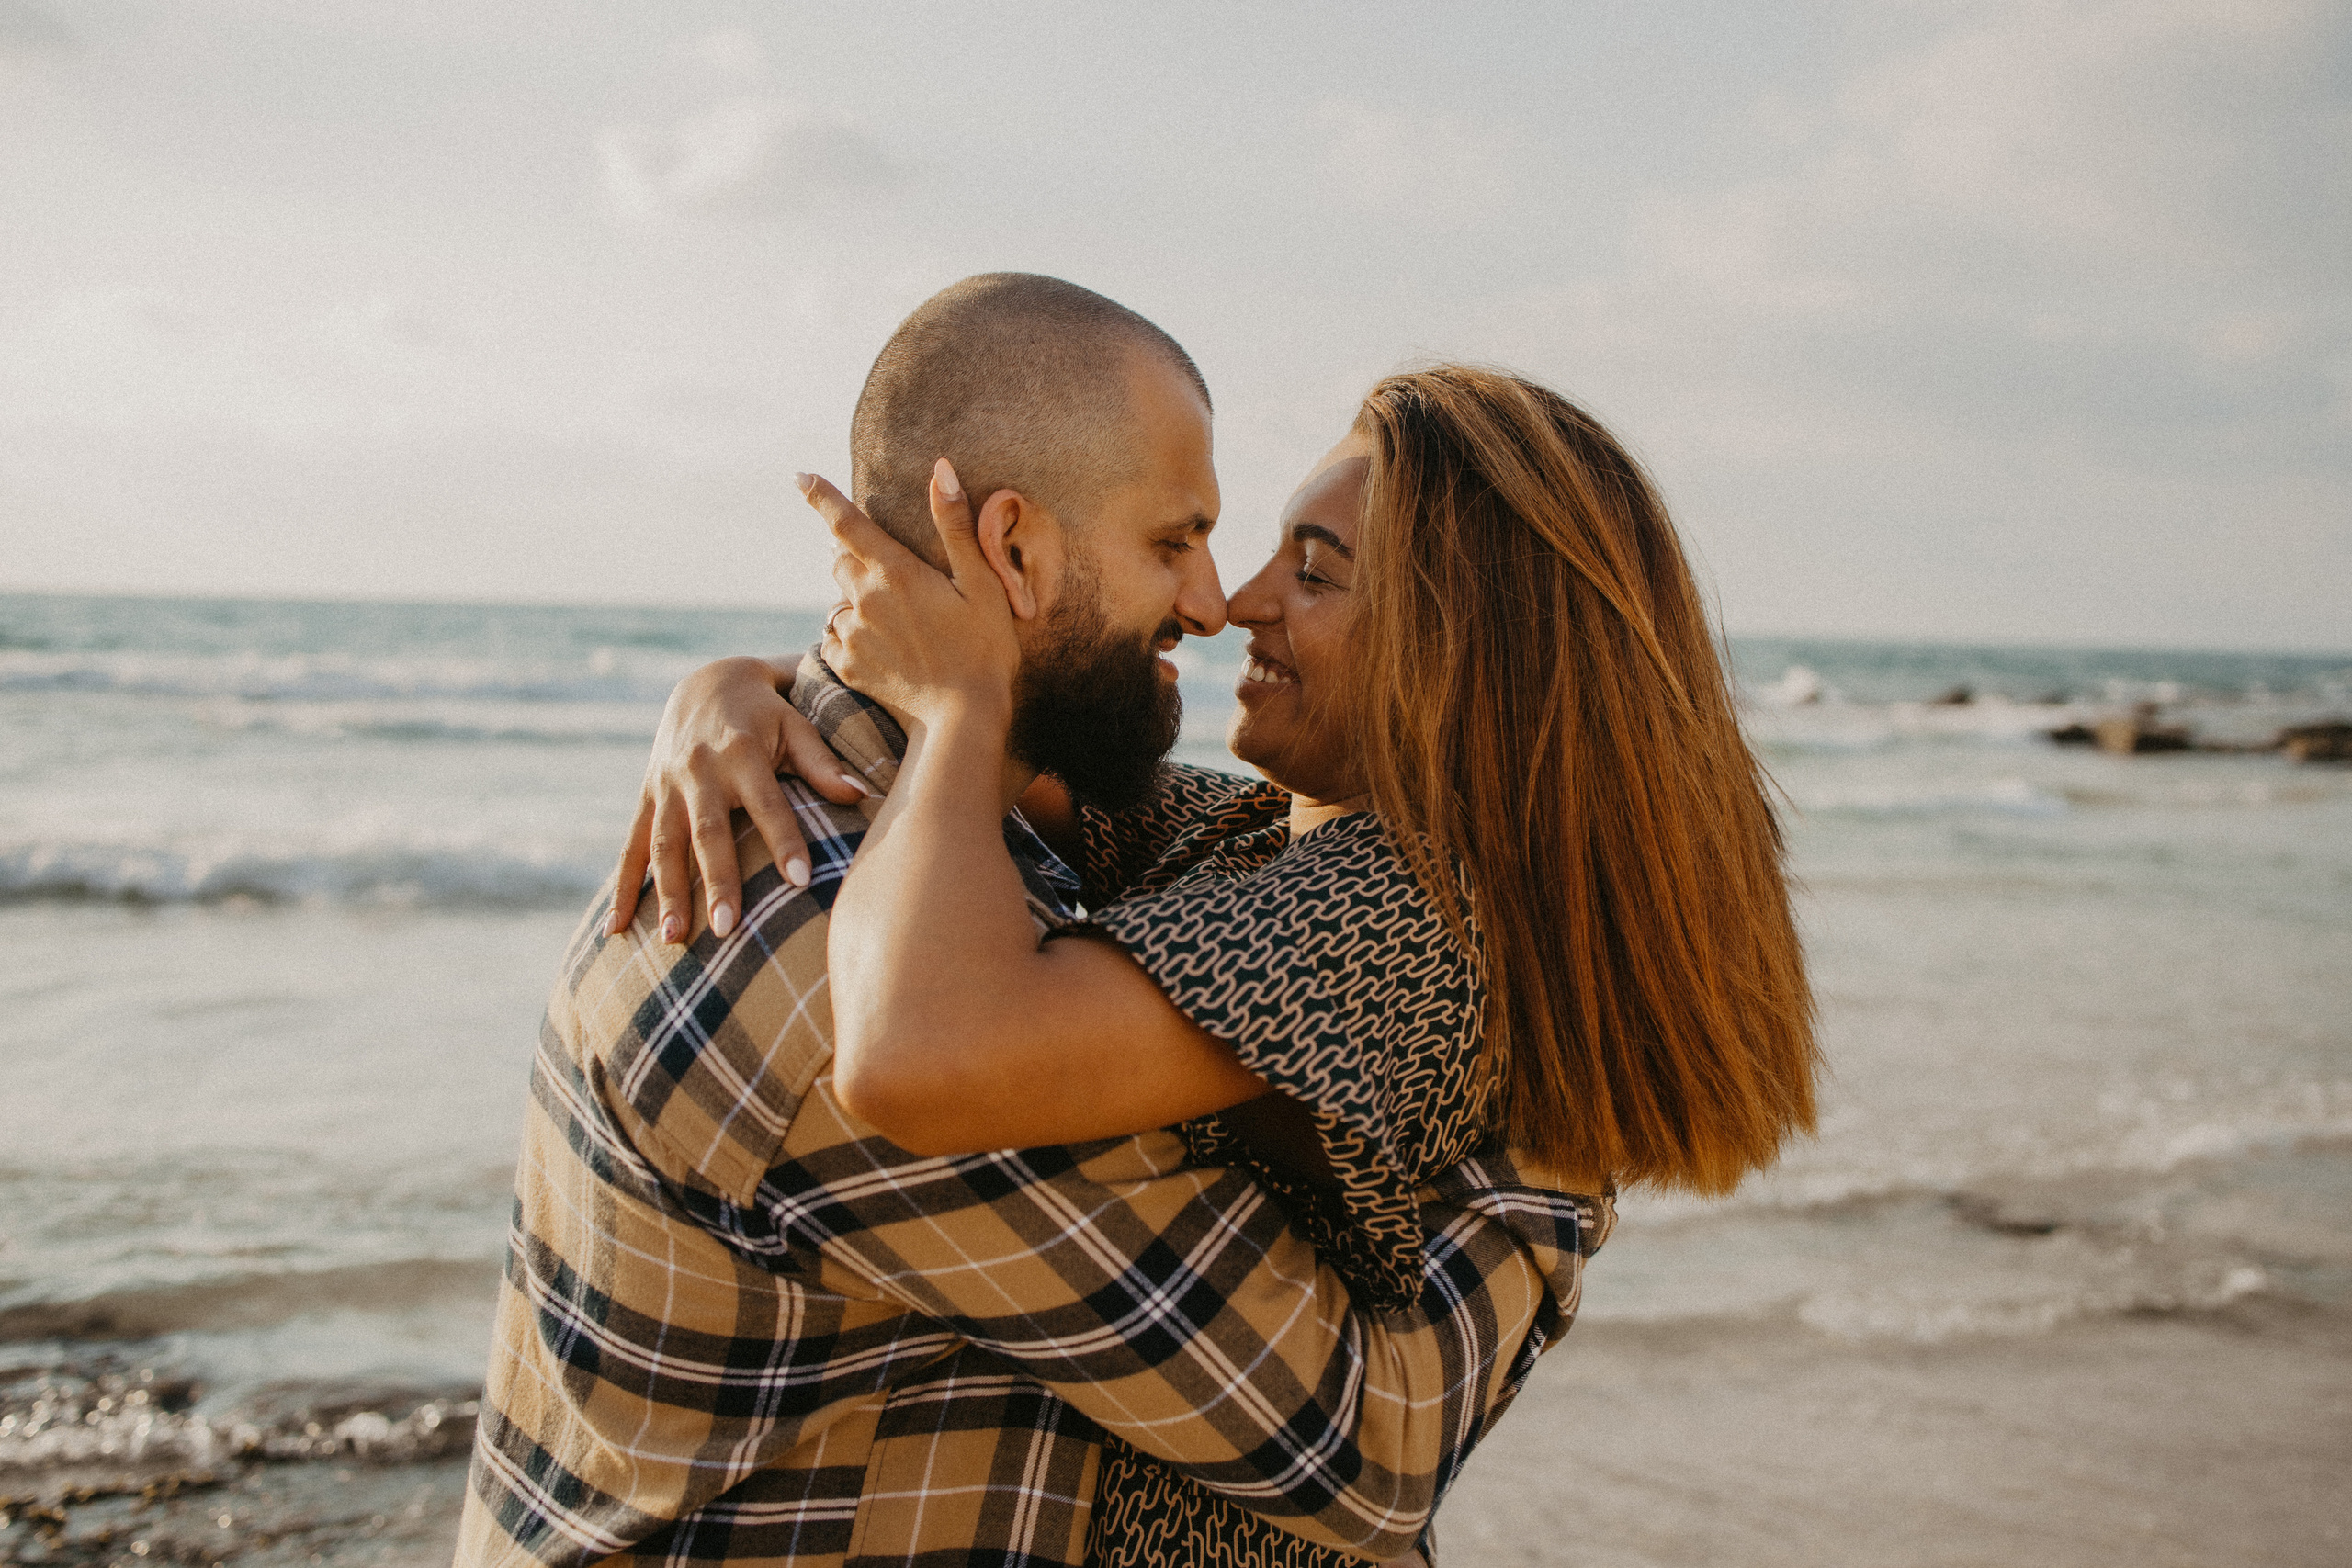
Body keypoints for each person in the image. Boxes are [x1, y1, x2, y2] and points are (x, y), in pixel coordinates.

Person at [458, 276, 1623, 1568]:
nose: (1213, 602)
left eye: (1295, 568)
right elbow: (1356, 1451)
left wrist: (760, 683)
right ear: (1012, 549)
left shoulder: (967, 862)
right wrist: (1552, 1191)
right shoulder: (849, 959)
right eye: (1175, 541)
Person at [631, 358, 1822, 1563]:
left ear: (1461, 654)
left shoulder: (1403, 911)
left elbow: (916, 1052)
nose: (1240, 600)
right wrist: (731, 690)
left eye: (1314, 573)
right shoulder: (1264, 843)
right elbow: (1004, 775)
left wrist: (958, 707)